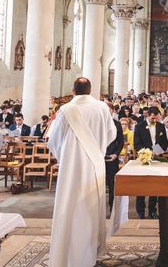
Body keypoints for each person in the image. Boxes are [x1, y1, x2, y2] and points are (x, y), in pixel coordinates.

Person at [47, 77, 117, 267]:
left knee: (69, 207)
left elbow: (53, 140)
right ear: (90, 90)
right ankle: (90, 253)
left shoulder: (66, 109)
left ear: (73, 90)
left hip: (72, 167)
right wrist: (98, 148)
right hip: (95, 163)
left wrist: (66, 156)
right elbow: (112, 133)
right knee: (91, 207)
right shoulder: (102, 107)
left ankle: (68, 253)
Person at [134, 107, 168, 219]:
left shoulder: (161, 126)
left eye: (156, 117)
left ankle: (152, 210)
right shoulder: (139, 126)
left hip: (157, 157)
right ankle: (140, 211)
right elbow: (137, 144)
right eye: (152, 118)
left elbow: (164, 143)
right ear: (148, 115)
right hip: (144, 158)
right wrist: (147, 152)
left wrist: (157, 151)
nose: (154, 120)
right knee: (141, 185)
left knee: (155, 185)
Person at [105, 107, 124, 214]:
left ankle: (112, 208)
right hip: (99, 158)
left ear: (112, 111)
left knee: (112, 184)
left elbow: (120, 142)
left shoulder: (117, 124)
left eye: (109, 110)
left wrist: (116, 154)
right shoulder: (98, 123)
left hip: (112, 157)